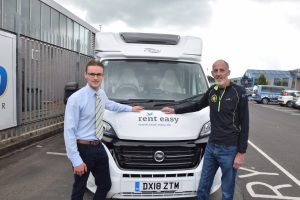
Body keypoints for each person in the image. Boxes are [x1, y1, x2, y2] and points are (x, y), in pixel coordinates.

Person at [161, 59, 249, 200]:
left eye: (222, 70)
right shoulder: (212, 91)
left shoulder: (239, 92)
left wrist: (241, 152)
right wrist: (175, 110)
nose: (218, 73)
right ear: (212, 73)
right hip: (211, 146)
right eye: (215, 70)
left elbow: (245, 123)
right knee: (204, 185)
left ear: (228, 72)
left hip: (230, 149)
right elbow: (197, 105)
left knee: (227, 189)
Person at [64, 60, 144, 200]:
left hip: (99, 146)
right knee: (80, 188)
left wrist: (131, 109)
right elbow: (69, 131)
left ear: (103, 76)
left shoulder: (101, 94)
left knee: (105, 184)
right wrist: (76, 160)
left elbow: (111, 105)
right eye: (92, 74)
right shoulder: (75, 99)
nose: (95, 78)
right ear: (85, 75)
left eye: (98, 74)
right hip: (82, 148)